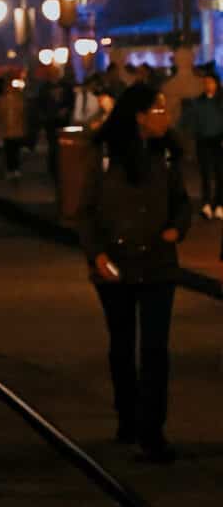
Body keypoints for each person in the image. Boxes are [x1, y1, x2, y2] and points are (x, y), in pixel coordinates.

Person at [78, 84, 191, 462]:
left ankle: (152, 429)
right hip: (116, 264)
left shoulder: (169, 154)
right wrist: (96, 255)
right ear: (140, 115)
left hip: (159, 262)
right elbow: (86, 209)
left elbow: (181, 203)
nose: (166, 115)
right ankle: (127, 416)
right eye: (159, 109)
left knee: (156, 348)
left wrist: (177, 227)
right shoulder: (105, 152)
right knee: (122, 344)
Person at [183, 70, 223, 219]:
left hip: (219, 141)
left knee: (220, 174)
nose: (208, 85)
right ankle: (206, 203)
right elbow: (189, 121)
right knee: (205, 173)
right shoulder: (199, 102)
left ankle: (219, 204)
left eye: (210, 82)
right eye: (205, 82)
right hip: (203, 141)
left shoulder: (220, 101)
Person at [0, 76, 26, 179]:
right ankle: (11, 169)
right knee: (9, 150)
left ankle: (15, 169)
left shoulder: (17, 99)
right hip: (6, 129)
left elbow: (22, 114)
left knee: (14, 150)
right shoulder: (1, 100)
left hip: (15, 129)